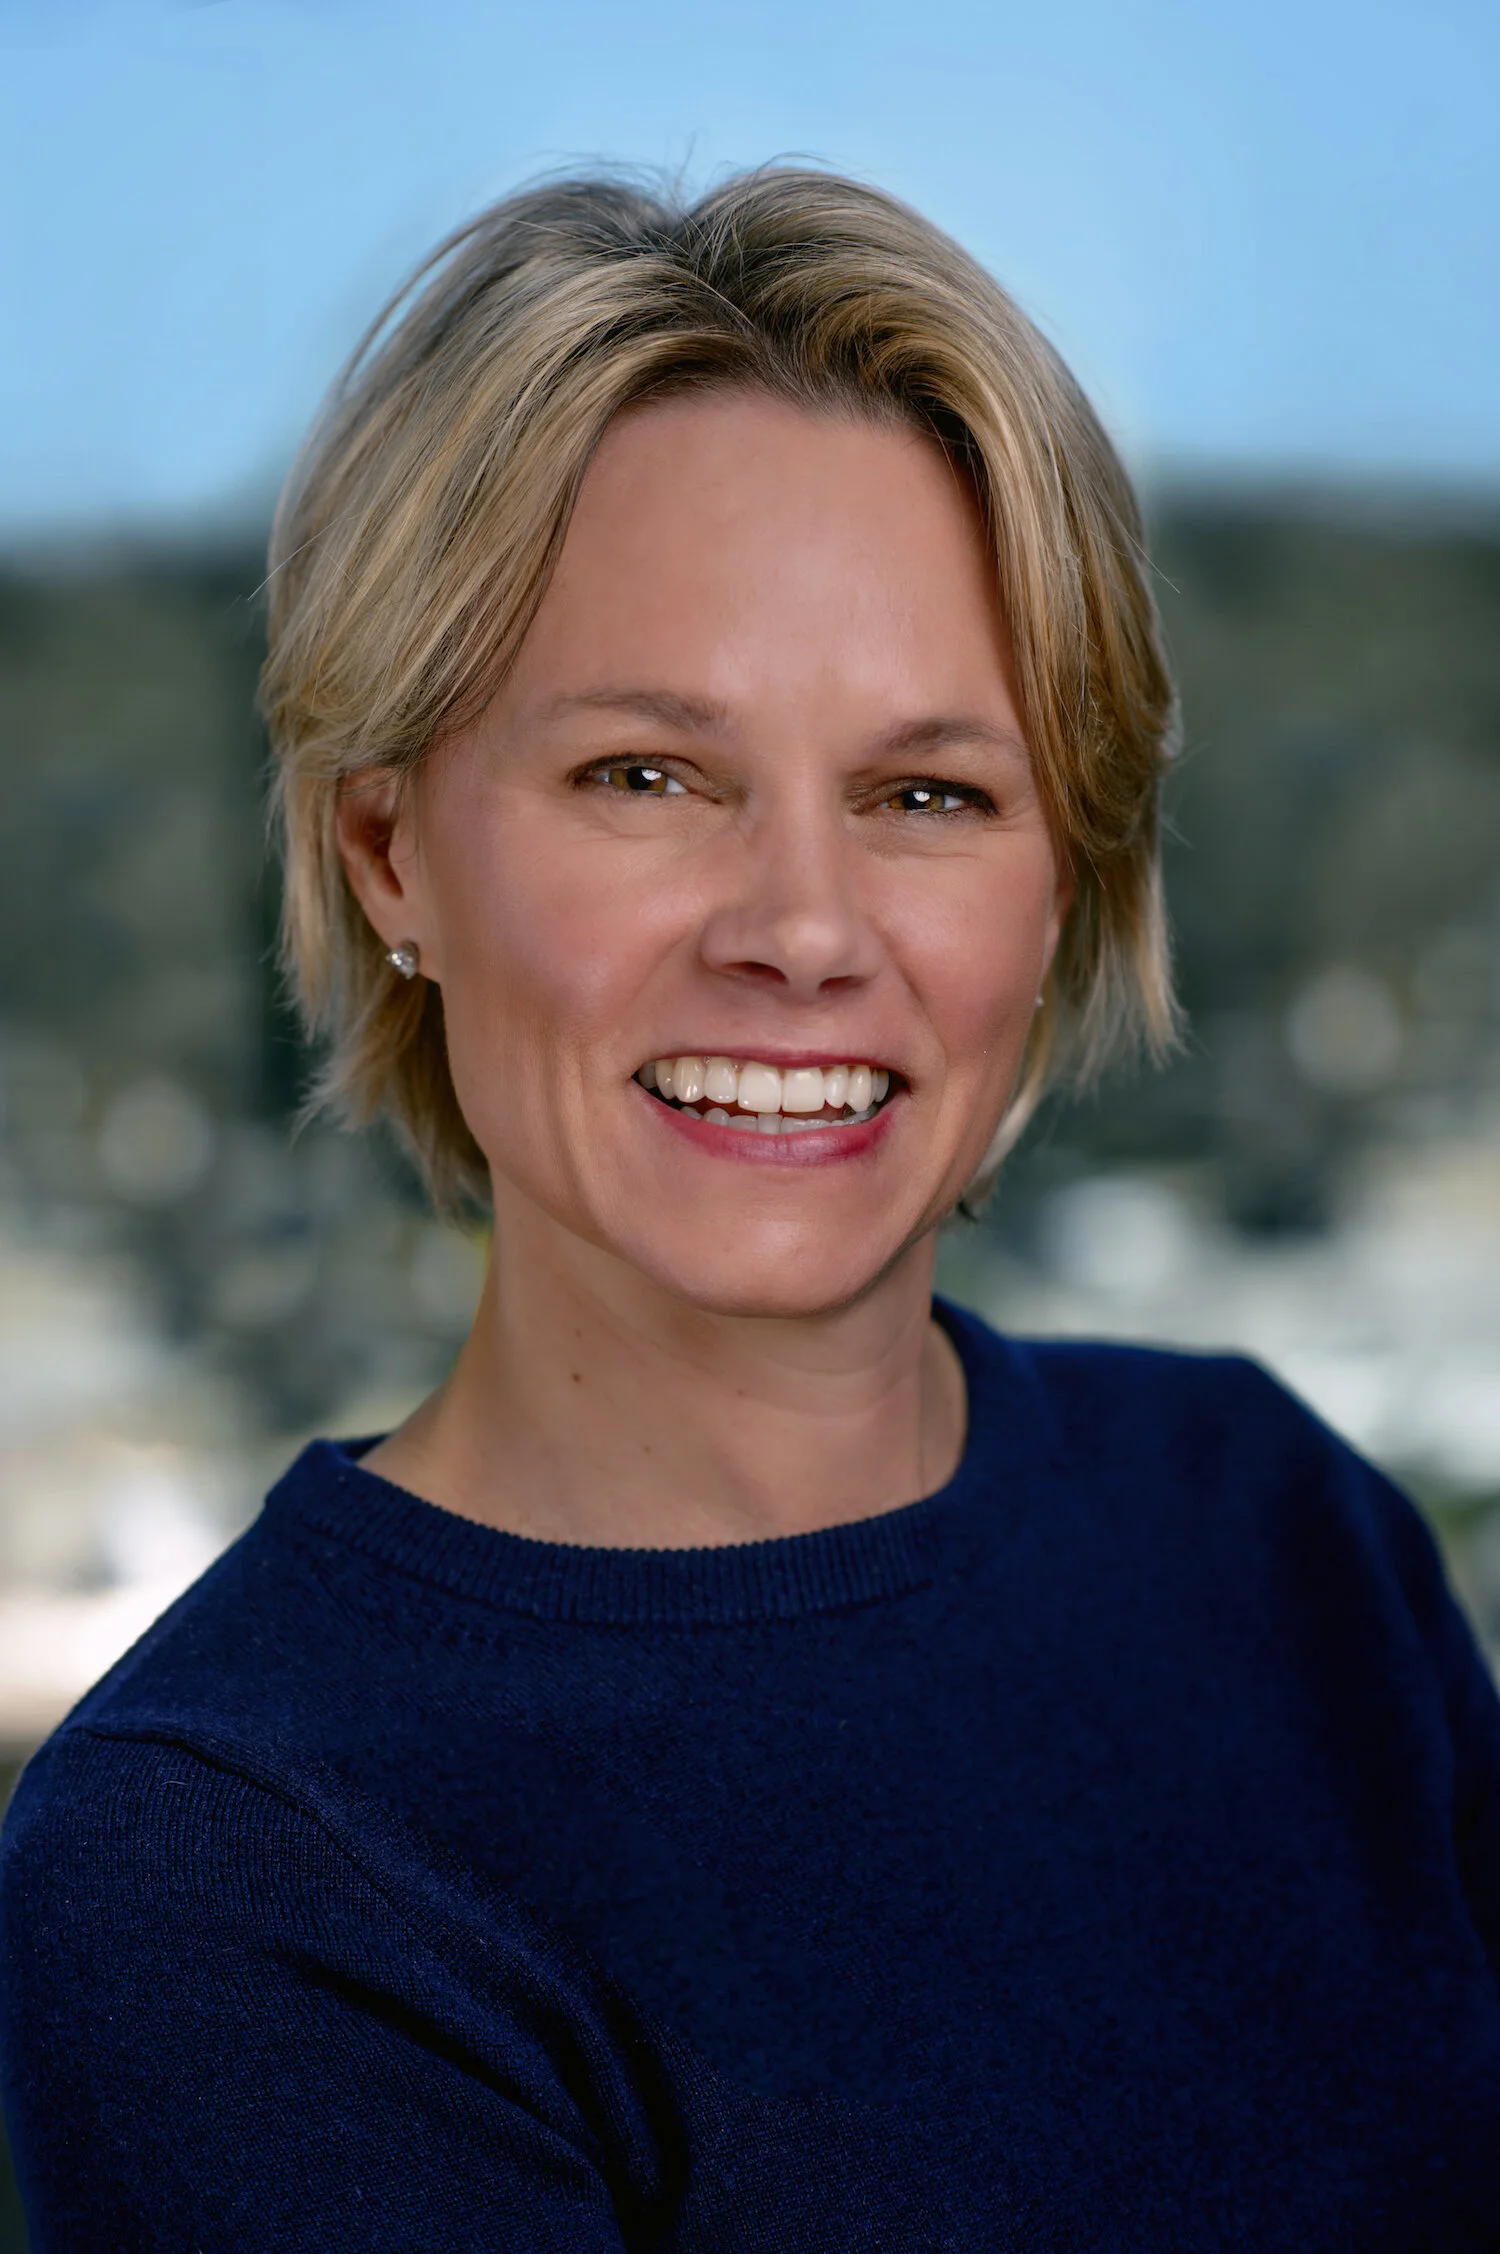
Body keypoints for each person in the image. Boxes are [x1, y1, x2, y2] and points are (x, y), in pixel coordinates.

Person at [2, 167, 1498, 2253]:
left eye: (929, 792)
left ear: (1061, 885)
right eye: (648, 775)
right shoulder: (230, 1864)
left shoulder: (1276, 1527)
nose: (802, 928)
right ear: (388, 847)